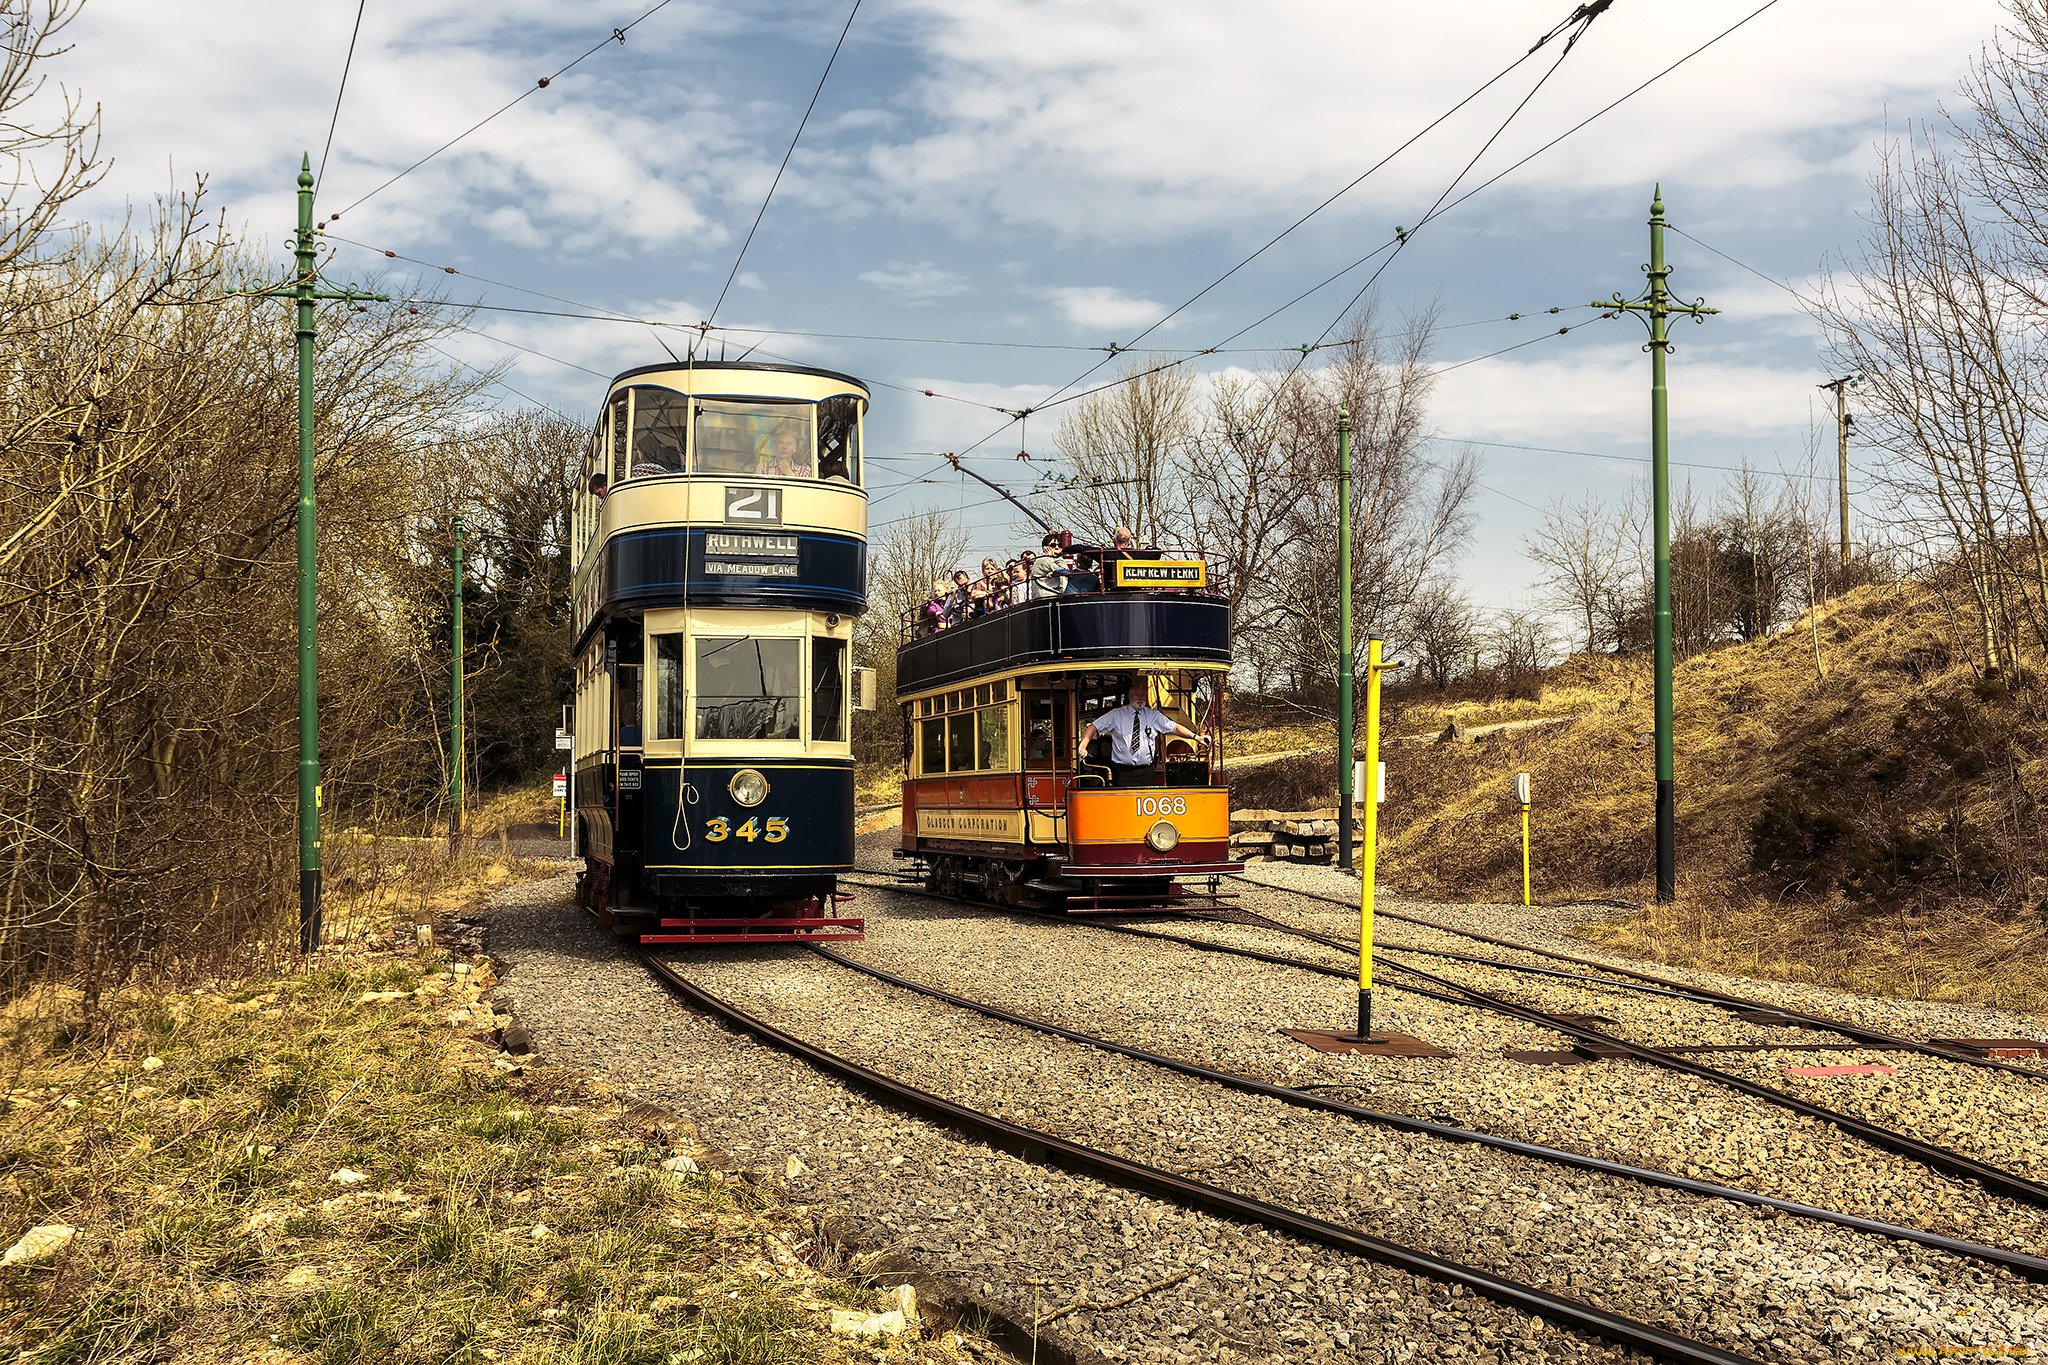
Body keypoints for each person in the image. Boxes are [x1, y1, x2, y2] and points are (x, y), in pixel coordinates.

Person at [1079, 677, 1210, 787]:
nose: (1140, 698)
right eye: (1137, 695)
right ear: (1130, 696)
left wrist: (1196, 737)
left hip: (1147, 772)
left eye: (1142, 695)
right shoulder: (1116, 715)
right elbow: (1094, 727)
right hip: (1122, 773)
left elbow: (1174, 727)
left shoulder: (1153, 715)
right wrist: (1083, 746)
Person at [1027, 533, 1068, 598]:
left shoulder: (1054, 559)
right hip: (1046, 596)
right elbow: (1063, 571)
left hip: (1053, 594)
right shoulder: (1043, 560)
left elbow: (1066, 571)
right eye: (1053, 545)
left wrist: (1058, 557)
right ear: (1045, 548)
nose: (1057, 547)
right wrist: (1059, 557)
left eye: (1059, 545)